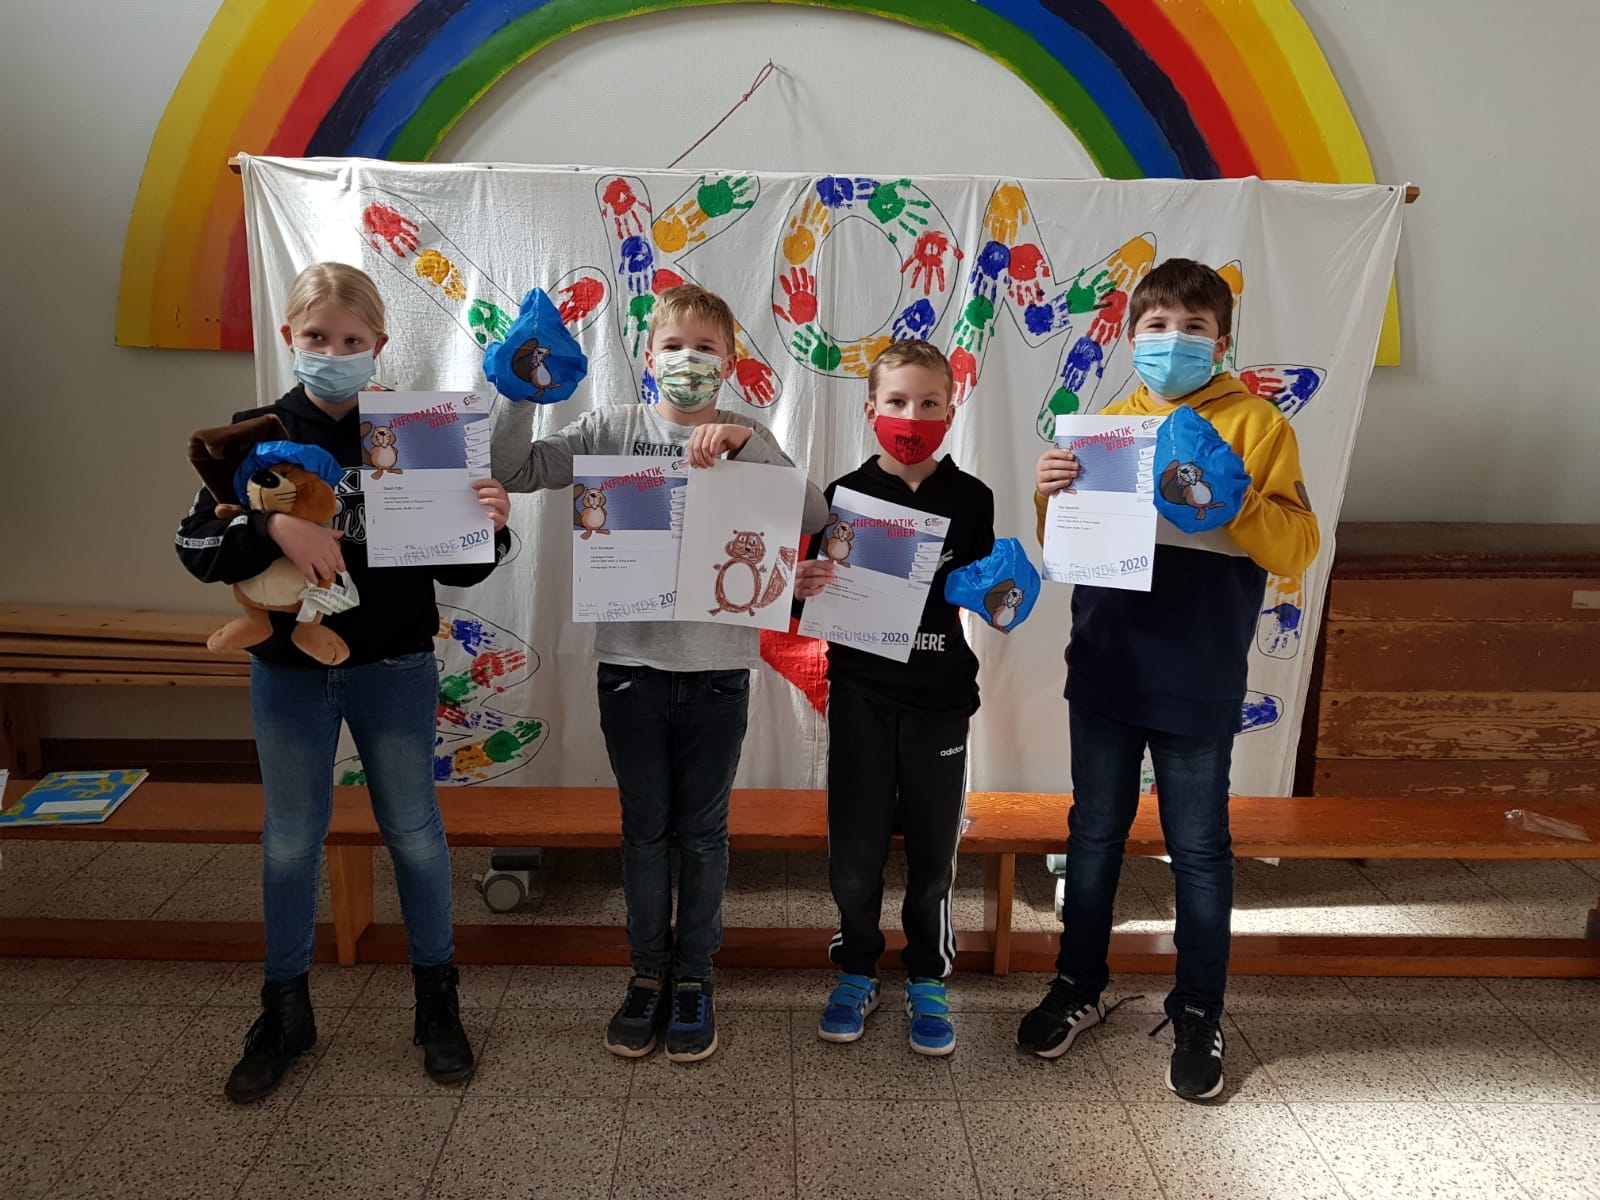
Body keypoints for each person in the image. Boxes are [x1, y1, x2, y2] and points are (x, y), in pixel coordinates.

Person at [175, 262, 512, 1103]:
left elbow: (464, 568)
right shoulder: (248, 438)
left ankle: (437, 1002)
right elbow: (196, 548)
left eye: (351, 340)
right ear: (289, 337)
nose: (333, 352)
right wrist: (273, 527)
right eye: (317, 337)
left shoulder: (420, 433)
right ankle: (285, 1011)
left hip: (394, 666)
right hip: (288, 674)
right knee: (291, 840)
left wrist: (491, 524)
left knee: (415, 835)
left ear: (379, 345)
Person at [491, 283, 827, 1062]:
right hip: (630, 671)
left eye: (705, 349)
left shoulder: (747, 433)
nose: (688, 360)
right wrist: (518, 391)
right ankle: (647, 973)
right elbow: (513, 468)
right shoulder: (611, 429)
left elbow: (811, 516)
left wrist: (745, 446)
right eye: (674, 346)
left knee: (703, 835)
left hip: (719, 673)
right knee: (644, 832)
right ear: (648, 357)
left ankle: (695, 977)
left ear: (730, 364)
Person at [1015, 258, 1319, 1100]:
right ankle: (1079, 983)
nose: (1172, 341)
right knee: (1092, 836)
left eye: (1193, 328)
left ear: (1222, 343)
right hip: (1107, 662)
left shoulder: (1257, 424)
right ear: (1130, 336)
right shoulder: (1106, 426)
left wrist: (1236, 501)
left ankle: (1198, 1009)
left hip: (1199, 670)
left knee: (1200, 850)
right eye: (1156, 326)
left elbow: (1298, 548)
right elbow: (1065, 548)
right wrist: (1048, 495)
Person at [793, 339, 994, 1056]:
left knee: (935, 850)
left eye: (929, 403)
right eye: (898, 402)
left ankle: (927, 976)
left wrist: (1004, 595)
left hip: (940, 698)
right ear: (870, 407)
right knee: (855, 848)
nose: (913, 417)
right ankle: (856, 968)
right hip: (861, 696)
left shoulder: (972, 498)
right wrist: (801, 587)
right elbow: (808, 594)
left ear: (951, 410)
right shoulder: (842, 496)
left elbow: (983, 588)